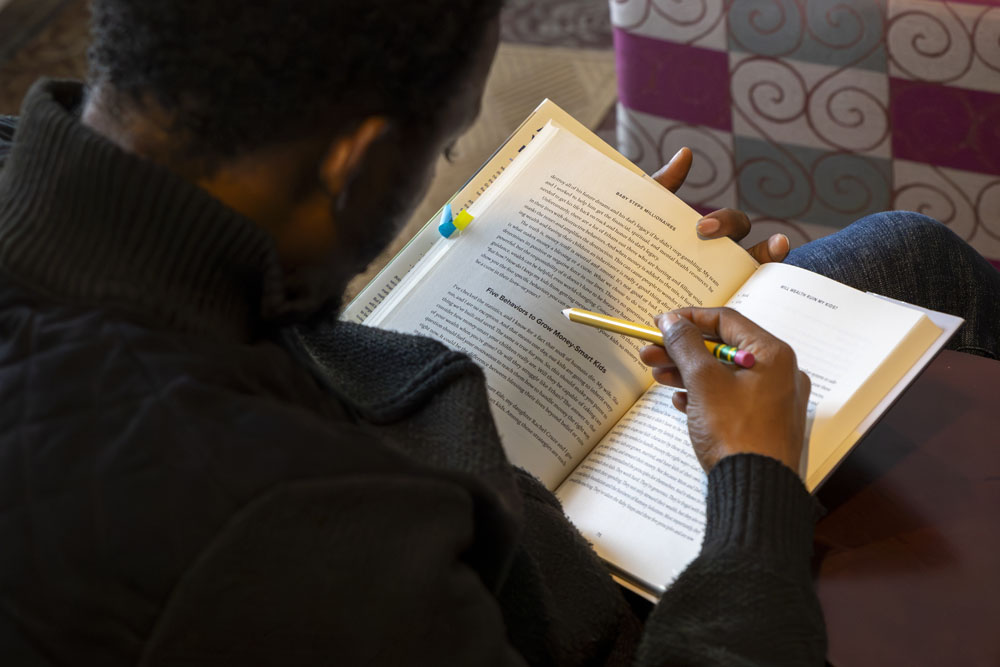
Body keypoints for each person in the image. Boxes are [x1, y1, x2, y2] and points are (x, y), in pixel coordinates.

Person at [0, 1, 997, 665]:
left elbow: (278, 341)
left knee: (897, 255)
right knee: (913, 263)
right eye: (439, 146)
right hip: (573, 599)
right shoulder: (291, 534)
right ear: (356, 162)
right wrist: (753, 474)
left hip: (422, 434)